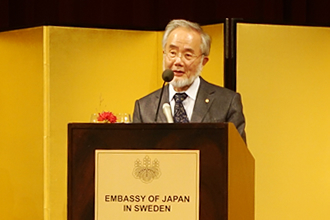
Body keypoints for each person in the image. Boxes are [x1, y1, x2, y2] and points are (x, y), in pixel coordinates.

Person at [133, 19, 246, 142]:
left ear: (203, 61)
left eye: (188, 55)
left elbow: (239, 157)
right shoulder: (144, 108)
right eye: (172, 53)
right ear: (164, 54)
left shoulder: (226, 103)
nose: (178, 61)